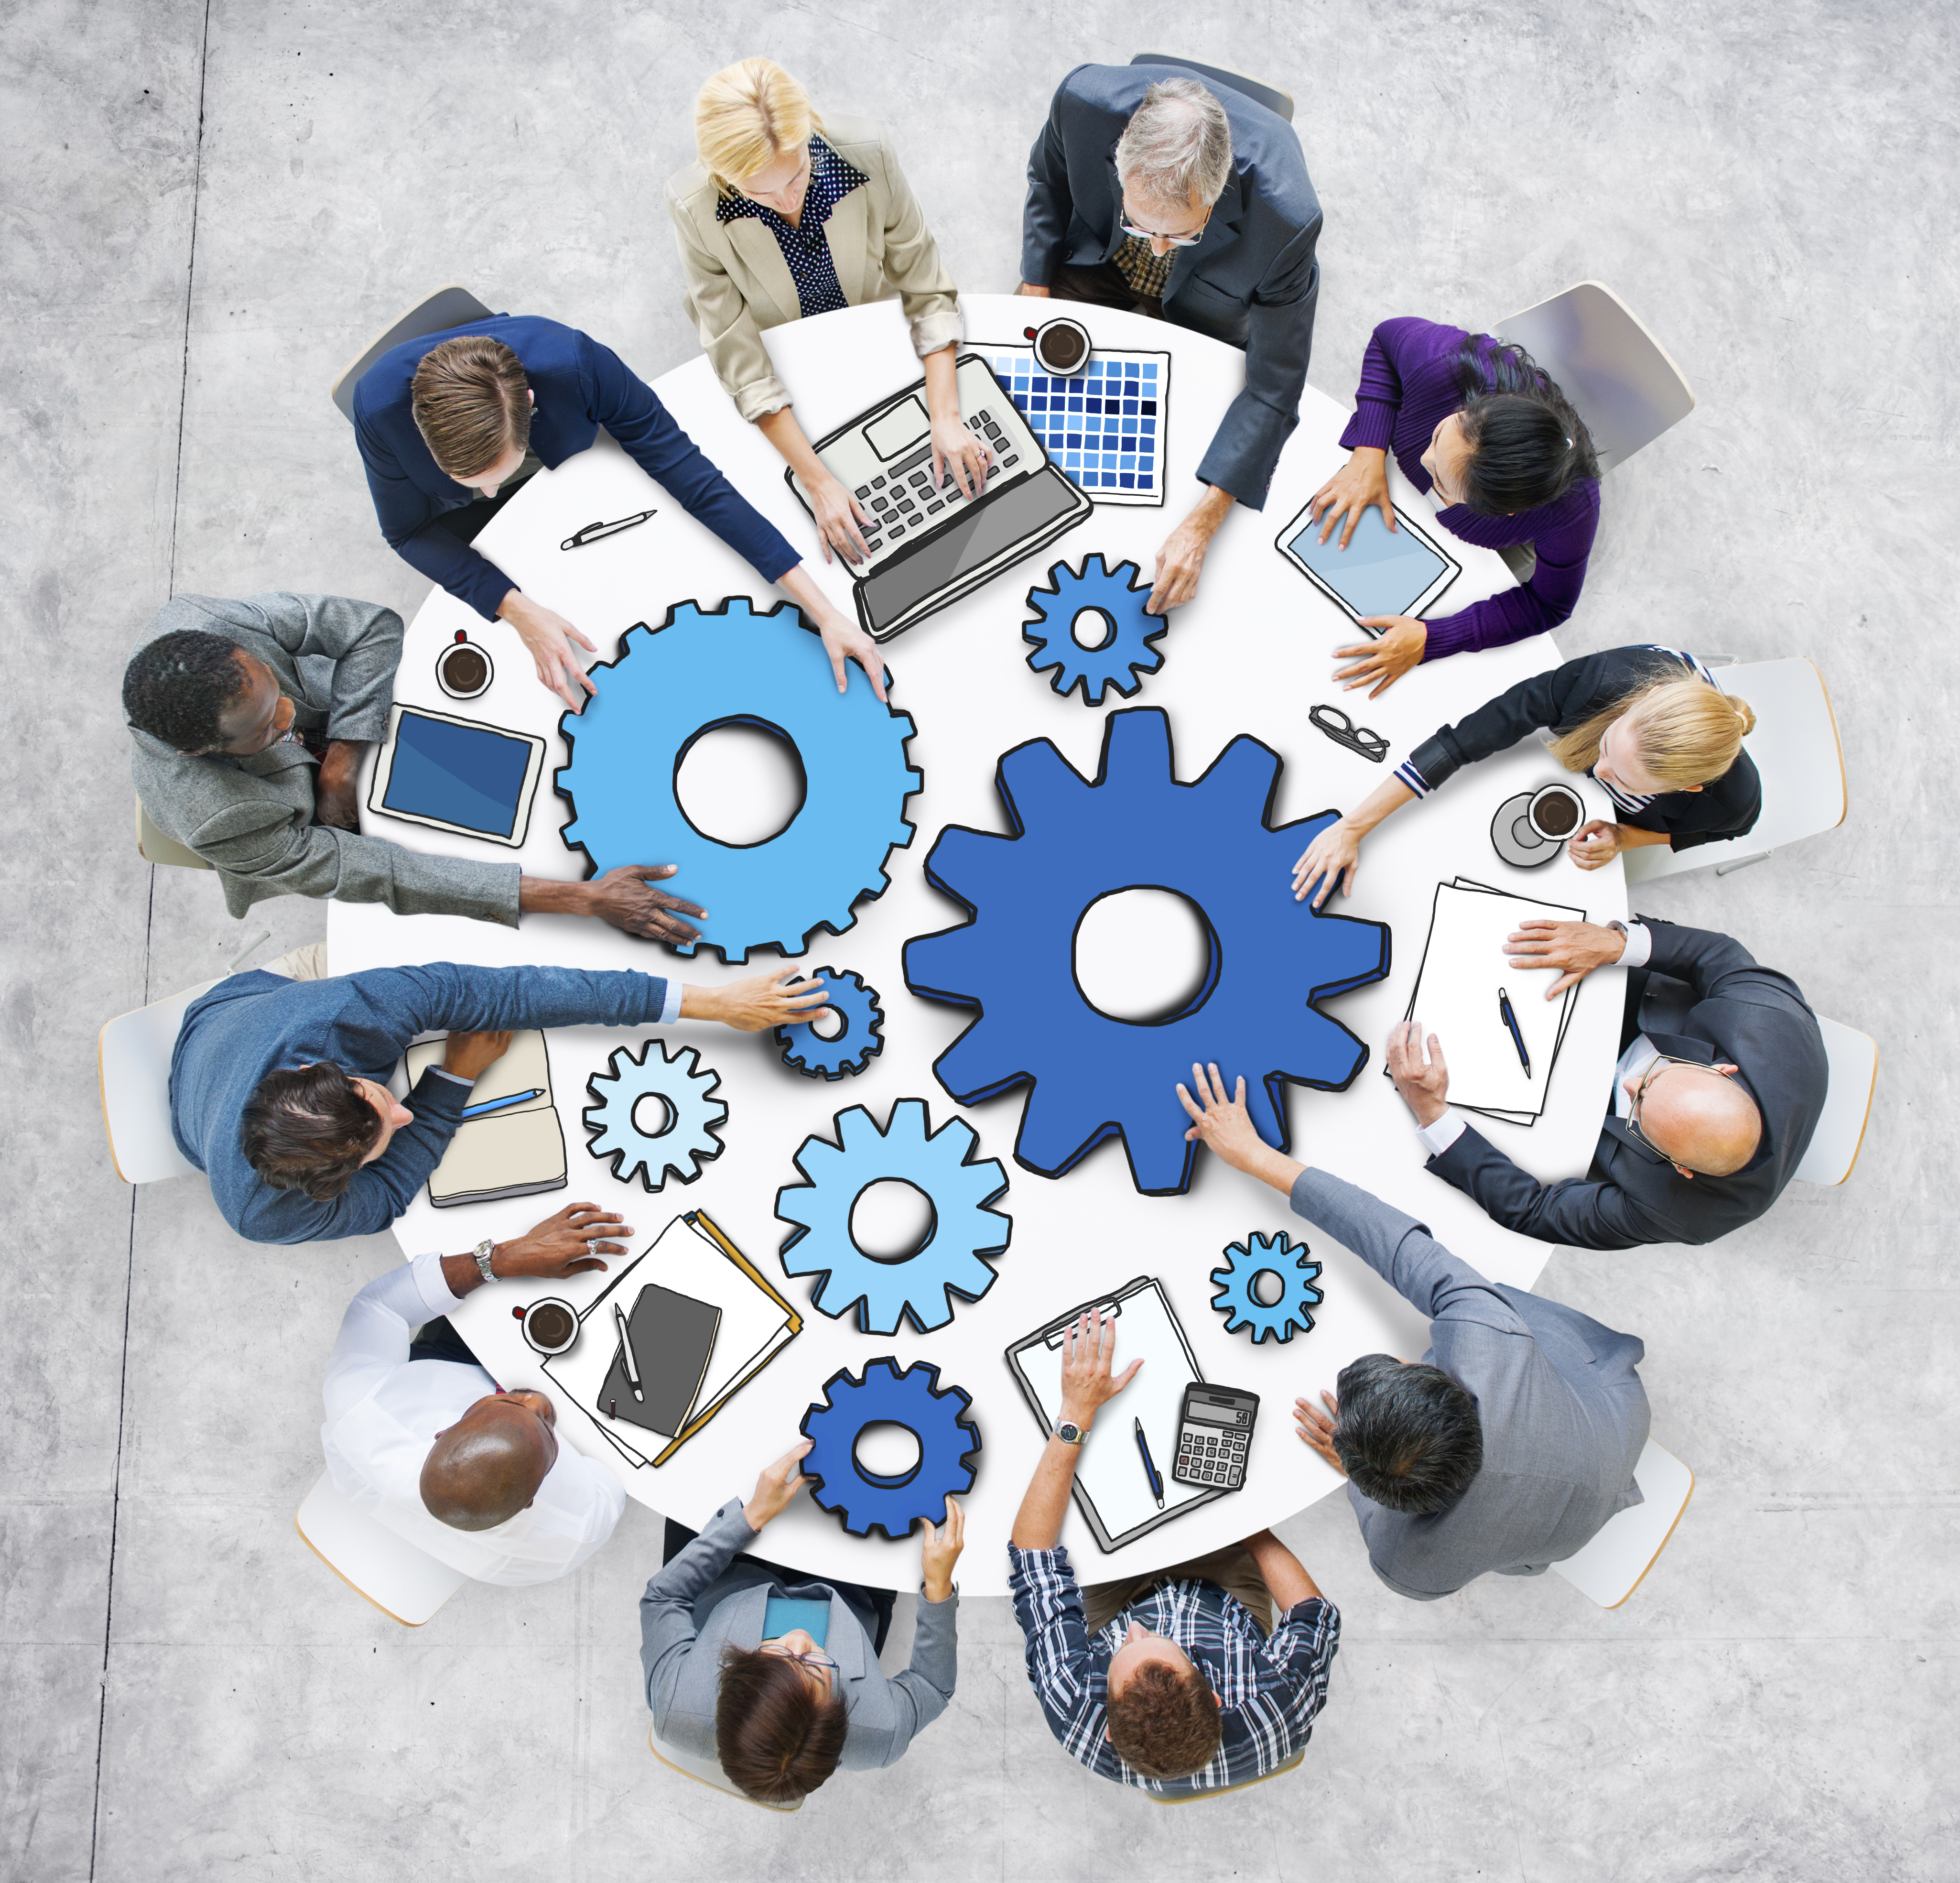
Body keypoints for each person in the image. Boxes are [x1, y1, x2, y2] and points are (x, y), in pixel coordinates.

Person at [1176, 1064, 1651, 1600]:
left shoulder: (1406, 1565)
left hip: (1589, 1472)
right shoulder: (1487, 1342)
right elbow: (1397, 1245)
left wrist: (1358, 1471)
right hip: (1611, 1414)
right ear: (1449, 1387)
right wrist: (1257, 1157)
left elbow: (1398, 1245)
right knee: (1480, 1294)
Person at [350, 313, 887, 709]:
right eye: (470, 483)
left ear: (531, 407)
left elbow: (695, 480)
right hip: (502, 536)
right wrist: (515, 609)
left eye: (496, 477)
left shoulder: (579, 364)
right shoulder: (378, 411)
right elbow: (405, 532)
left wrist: (826, 613)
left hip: (574, 482)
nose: (490, 497)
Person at [124, 594, 703, 941]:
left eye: (278, 692)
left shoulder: (200, 624)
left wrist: (343, 764)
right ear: (201, 752)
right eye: (267, 726)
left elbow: (370, 628)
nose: (288, 712)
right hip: (319, 831)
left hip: (353, 743)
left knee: (531, 767)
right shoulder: (221, 817)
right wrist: (584, 899)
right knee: (504, 854)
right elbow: (388, 874)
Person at [171, 958, 825, 1245]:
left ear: (323, 1065)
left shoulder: (350, 1008)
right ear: (323, 1186)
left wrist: (713, 1004)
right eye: (381, 1136)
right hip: (194, 1109)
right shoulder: (260, 1214)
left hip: (235, 1006)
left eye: (379, 1098)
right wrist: (451, 1079)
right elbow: (390, 1195)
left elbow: (515, 993)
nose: (403, 1111)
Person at [1017, 67, 1322, 616]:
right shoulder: (1080, 104)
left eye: (1179, 233)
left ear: (1216, 194)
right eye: (1145, 226)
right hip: (1099, 257)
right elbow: (1049, 183)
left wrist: (1204, 521)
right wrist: (1035, 283)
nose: (1158, 250)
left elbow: (1276, 387)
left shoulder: (1288, 221)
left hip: (1201, 308)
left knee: (1179, 438)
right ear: (1119, 164)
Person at [666, 59, 989, 567]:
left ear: (809, 127)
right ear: (720, 174)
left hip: (875, 335)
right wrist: (817, 483)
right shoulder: (693, 206)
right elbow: (742, 361)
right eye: (760, 192)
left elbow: (926, 290)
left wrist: (945, 417)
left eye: (796, 175)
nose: (788, 200)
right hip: (787, 362)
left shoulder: (871, 152)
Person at [1006, 1305, 1339, 1792]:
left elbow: (1031, 1552)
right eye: (1160, 1643)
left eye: (1125, 1649)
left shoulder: (1074, 1704)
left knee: (1084, 1506)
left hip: (1117, 1598)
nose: (1137, 1632)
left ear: (1108, 1713)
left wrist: (1076, 1414)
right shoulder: (1279, 1701)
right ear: (1218, 1695)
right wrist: (1246, 1524)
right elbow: (1314, 1614)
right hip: (1224, 1598)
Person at [1383, 914, 1830, 1248]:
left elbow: (1532, 1211)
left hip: (1565, 1113)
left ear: (1680, 1168)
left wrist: (1432, 1114)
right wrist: (1616, 943)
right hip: (1622, 1002)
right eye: (1656, 1077)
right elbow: (1716, 956)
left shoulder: (1685, 1213)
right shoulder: (1771, 1024)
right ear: (1722, 1070)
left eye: (1637, 1112)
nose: (1631, 1084)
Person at [1292, 645, 1760, 908]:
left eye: (1625, 780)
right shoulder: (1599, 681)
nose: (1598, 773)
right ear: (1647, 696)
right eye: (1606, 747)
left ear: (1687, 789)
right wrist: (1353, 827)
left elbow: (1714, 834)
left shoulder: (1731, 803)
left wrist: (1627, 837)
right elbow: (1464, 740)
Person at [321, 1199, 631, 1584]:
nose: (535, 1398)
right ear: (531, 1499)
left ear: (442, 1430)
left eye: (509, 1402)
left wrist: (503, 1259)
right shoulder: (580, 1523)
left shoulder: (360, 1407)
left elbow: (381, 1307)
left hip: (449, 1365)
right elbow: (615, 1468)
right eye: (542, 1422)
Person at [640, 1439, 964, 1804]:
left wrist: (751, 1516)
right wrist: (938, 1586)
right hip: (849, 1589)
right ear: (842, 1713)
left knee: (702, 1458)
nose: (798, 1640)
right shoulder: (878, 1735)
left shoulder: (674, 1704)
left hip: (726, 1570)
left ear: (732, 1674)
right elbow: (932, 1686)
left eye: (773, 1653)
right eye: (815, 1667)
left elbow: (664, 1597)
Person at [1304, 316, 1602, 697]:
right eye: (1439, 434)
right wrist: (1369, 451)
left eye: (1441, 482)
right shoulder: (1443, 364)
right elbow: (1385, 339)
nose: (1424, 459)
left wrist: (1433, 637)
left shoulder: (1571, 511)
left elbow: (1549, 604)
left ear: (1503, 513)